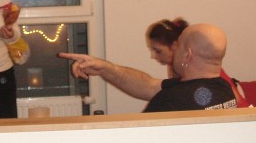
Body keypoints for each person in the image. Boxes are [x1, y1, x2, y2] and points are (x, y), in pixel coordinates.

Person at [59, 23, 238, 112]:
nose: (175, 50)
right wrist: (105, 68)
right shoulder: (226, 90)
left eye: (179, 46)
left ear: (188, 55)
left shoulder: (171, 100)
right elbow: (149, 85)